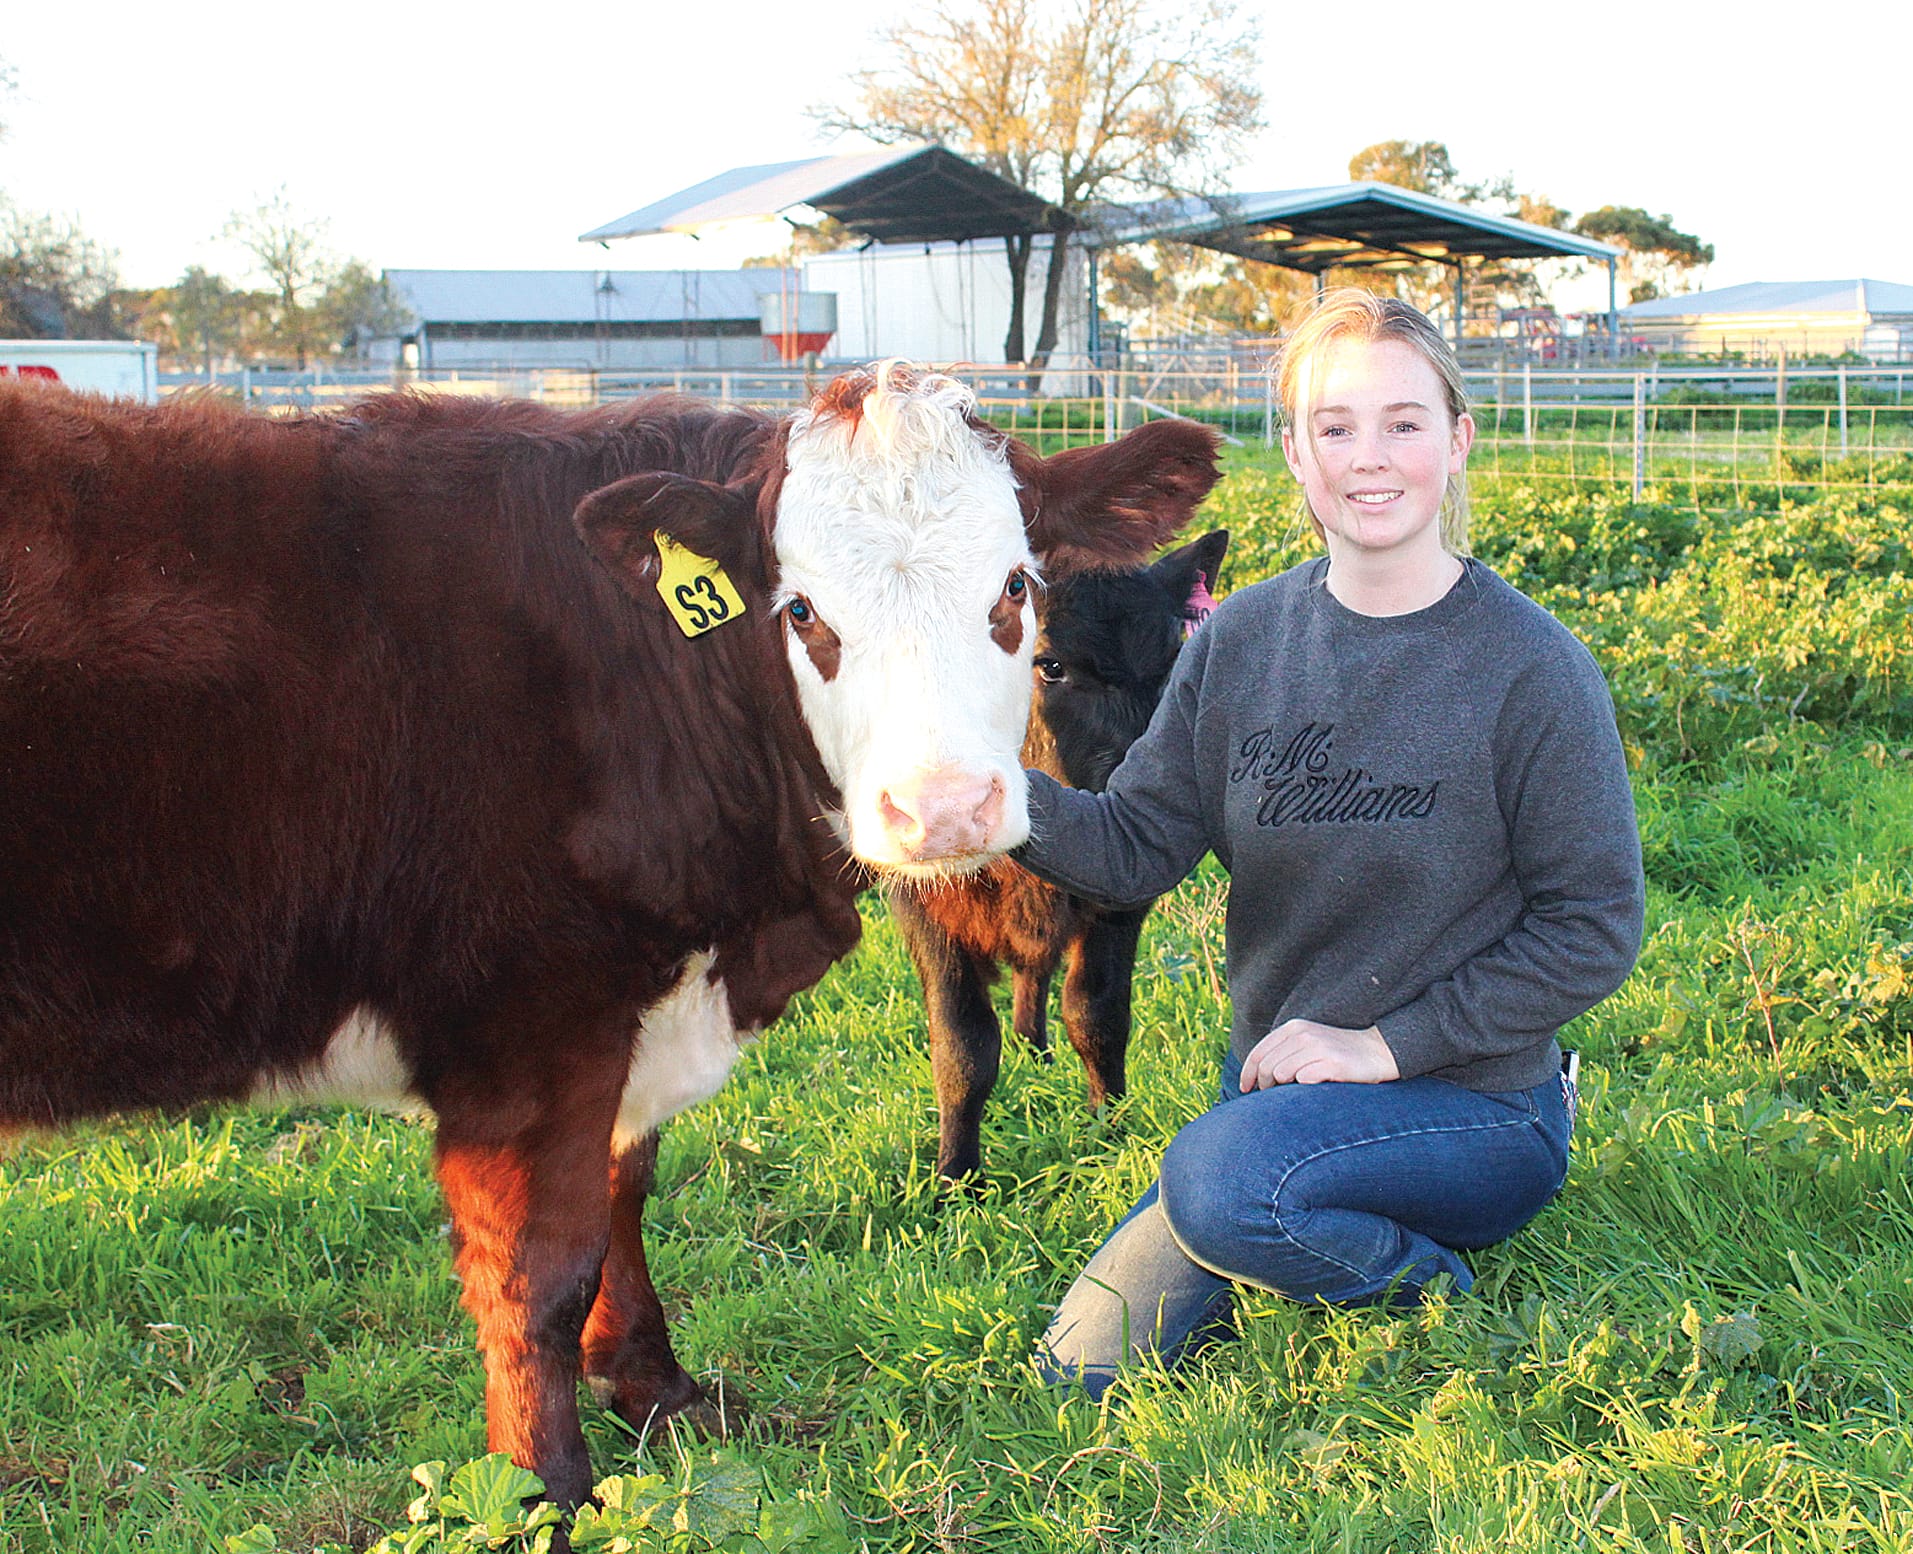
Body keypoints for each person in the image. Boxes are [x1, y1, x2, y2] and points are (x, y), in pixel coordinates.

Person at [1013, 289, 1645, 1399]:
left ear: (1456, 441)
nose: (1369, 458)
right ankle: (1283, 1208)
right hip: (1278, 1093)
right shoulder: (1242, 642)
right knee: (1083, 1367)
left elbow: (1591, 928)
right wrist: (1001, 806)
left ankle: (1424, 1284)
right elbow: (1137, 842)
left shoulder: (1533, 669)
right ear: (1298, 454)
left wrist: (1383, 1045)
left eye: (1403, 423)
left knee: (1221, 1186)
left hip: (1472, 1102)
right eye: (1334, 426)